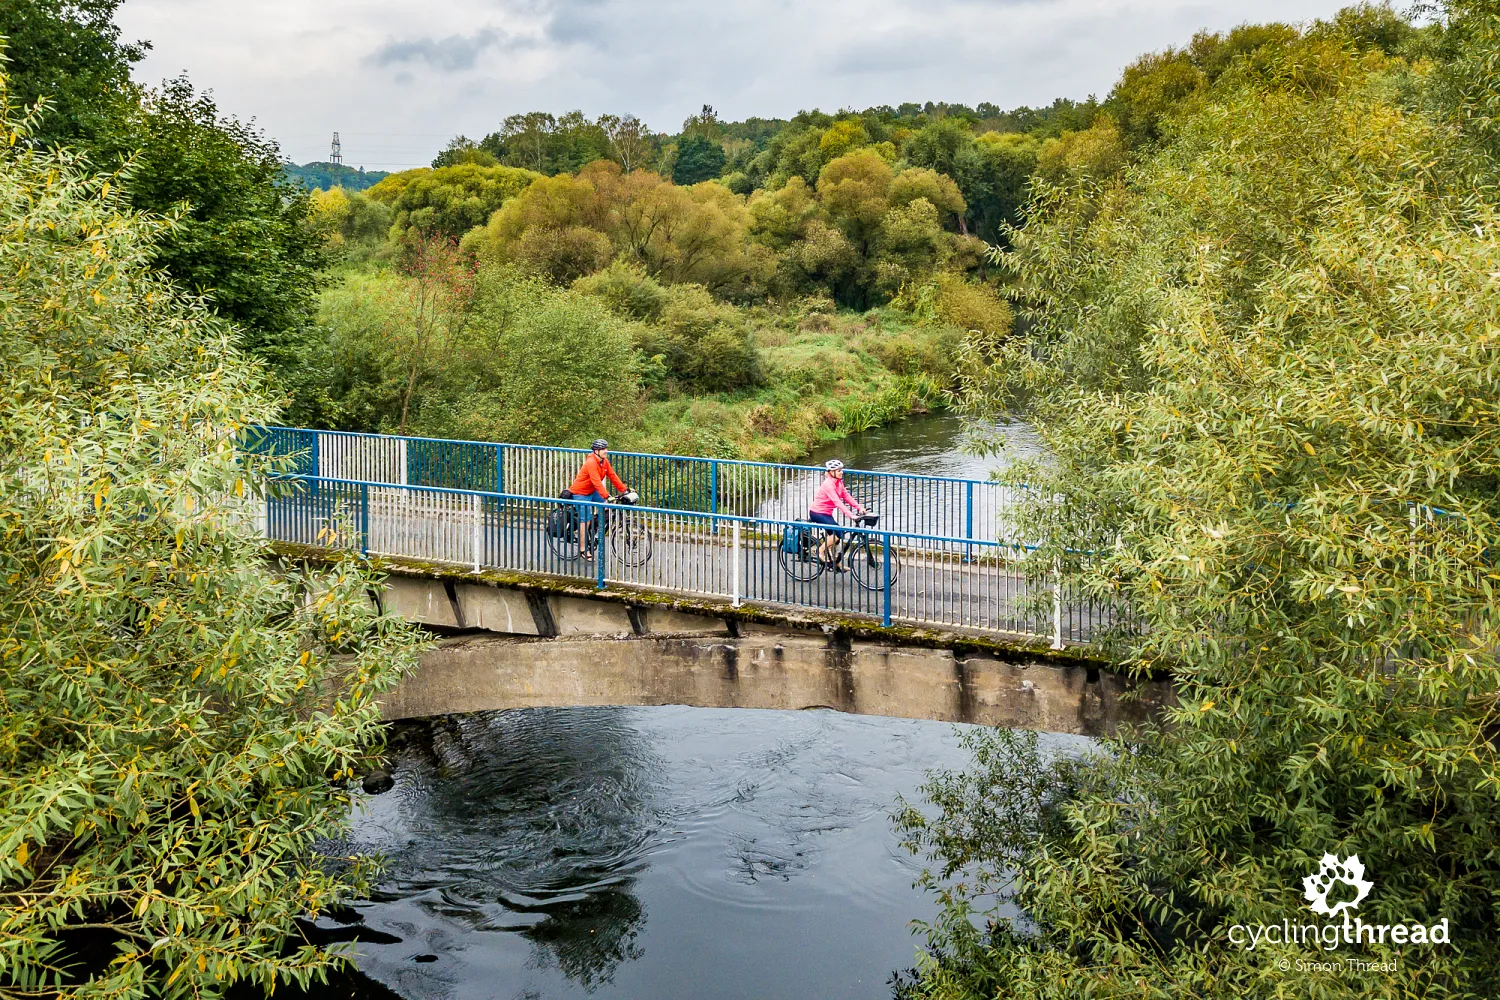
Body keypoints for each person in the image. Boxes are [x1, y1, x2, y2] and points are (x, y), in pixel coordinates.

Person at [567, 439, 635, 556]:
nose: (606, 451)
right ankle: (583, 549)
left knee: (609, 506)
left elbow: (612, 476)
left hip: (592, 491)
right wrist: (606, 496)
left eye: (606, 448)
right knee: (585, 520)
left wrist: (624, 490)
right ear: (596, 451)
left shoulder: (604, 462)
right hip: (580, 493)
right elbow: (596, 481)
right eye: (603, 449)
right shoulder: (591, 462)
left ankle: (594, 527)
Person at [808, 459, 865, 571]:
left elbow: (846, 496)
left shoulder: (839, 482)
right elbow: (837, 502)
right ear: (831, 472)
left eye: (841, 470)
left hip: (826, 513)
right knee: (837, 534)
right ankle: (819, 551)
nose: (841, 472)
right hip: (817, 512)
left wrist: (859, 507)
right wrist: (851, 515)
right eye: (838, 471)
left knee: (837, 538)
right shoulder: (828, 484)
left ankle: (835, 563)